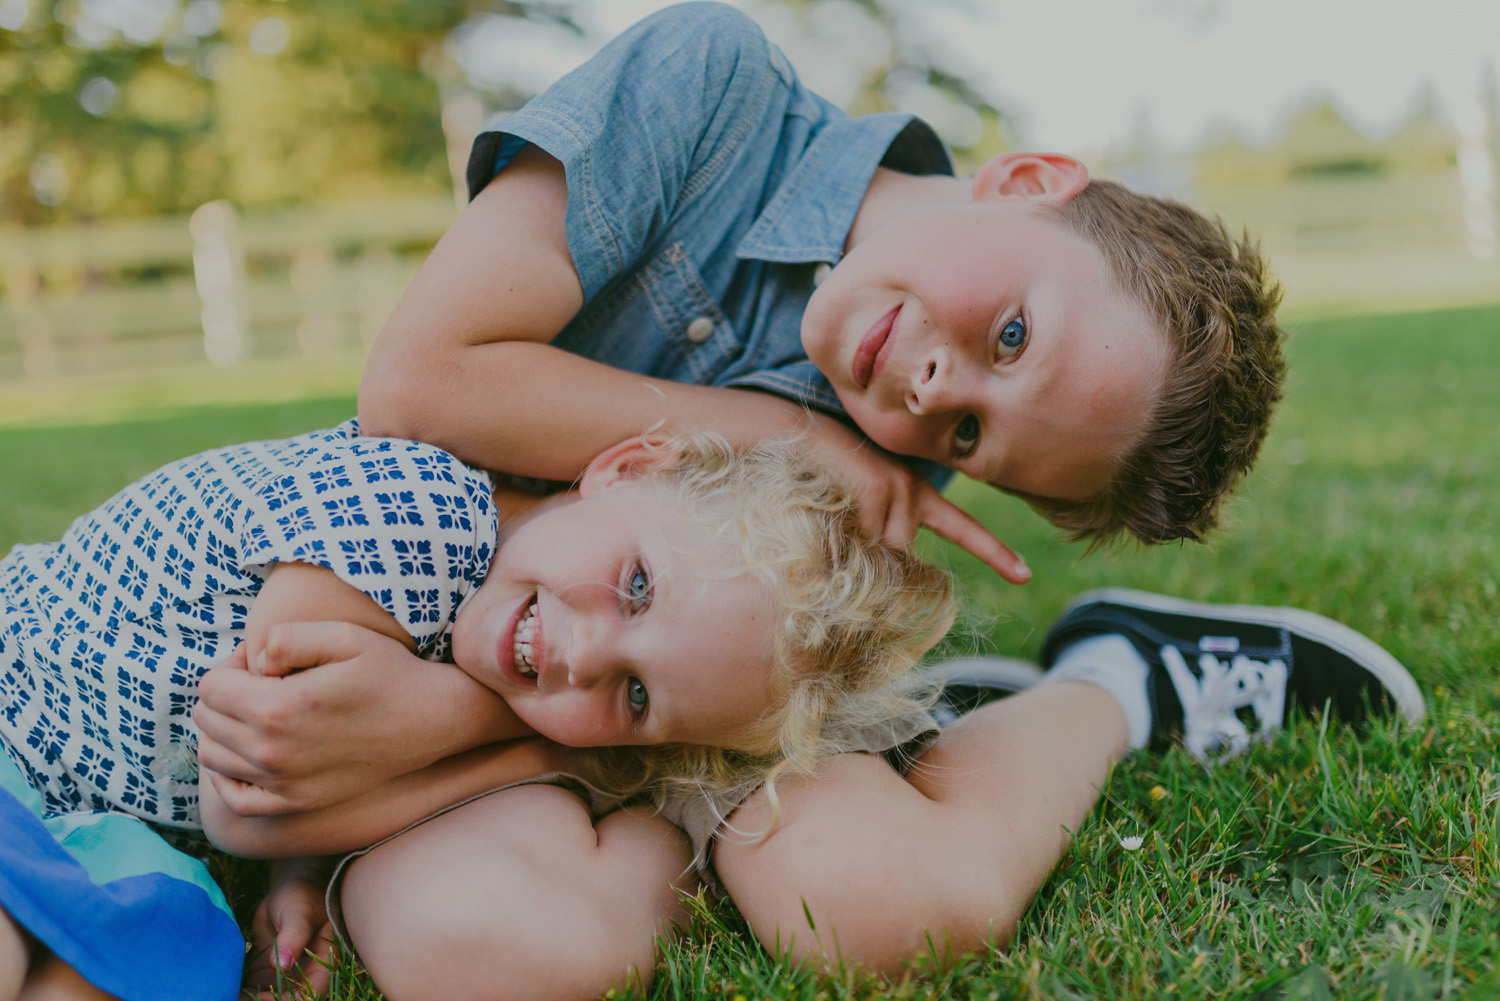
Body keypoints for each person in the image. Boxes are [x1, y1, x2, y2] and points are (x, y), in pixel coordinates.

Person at [200, 2, 1423, 996]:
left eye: (967, 437)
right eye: (1011, 331)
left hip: (631, 695)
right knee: (486, 941)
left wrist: (429, 729)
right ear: (1030, 179)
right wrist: (786, 431)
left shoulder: (886, 423)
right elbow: (419, 383)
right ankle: (927, 733)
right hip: (452, 605)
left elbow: (703, 703)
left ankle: (1113, 680)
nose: (936, 390)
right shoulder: (714, 87)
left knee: (878, 912)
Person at [0, 422, 954, 1001]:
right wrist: (555, 757)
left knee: (151, 966)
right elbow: (251, 796)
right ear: (624, 469)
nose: (581, 651)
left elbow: (322, 764)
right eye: (634, 585)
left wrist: (305, 866)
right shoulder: (416, 508)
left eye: (634, 696)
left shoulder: (478, 604)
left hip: (73, 816)